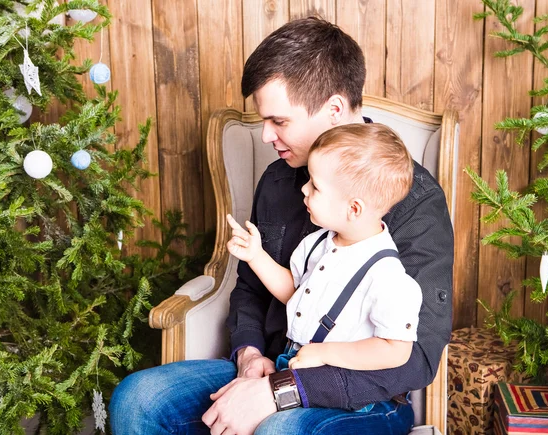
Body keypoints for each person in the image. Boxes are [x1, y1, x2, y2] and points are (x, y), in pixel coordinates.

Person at [109, 16, 453, 435]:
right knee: (138, 399)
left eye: (279, 121)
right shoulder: (276, 179)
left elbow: (416, 356)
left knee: (280, 431)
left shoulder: (414, 200)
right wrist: (249, 356)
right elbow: (252, 288)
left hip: (357, 397)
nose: (267, 136)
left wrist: (281, 392)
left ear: (334, 110)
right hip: (272, 366)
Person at [226, 123, 422, 374]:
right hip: (293, 363)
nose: (303, 189)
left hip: (338, 384)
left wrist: (324, 352)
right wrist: (256, 256)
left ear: (354, 209)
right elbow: (295, 294)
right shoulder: (317, 242)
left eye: (315, 186)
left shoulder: (387, 276)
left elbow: (396, 349)